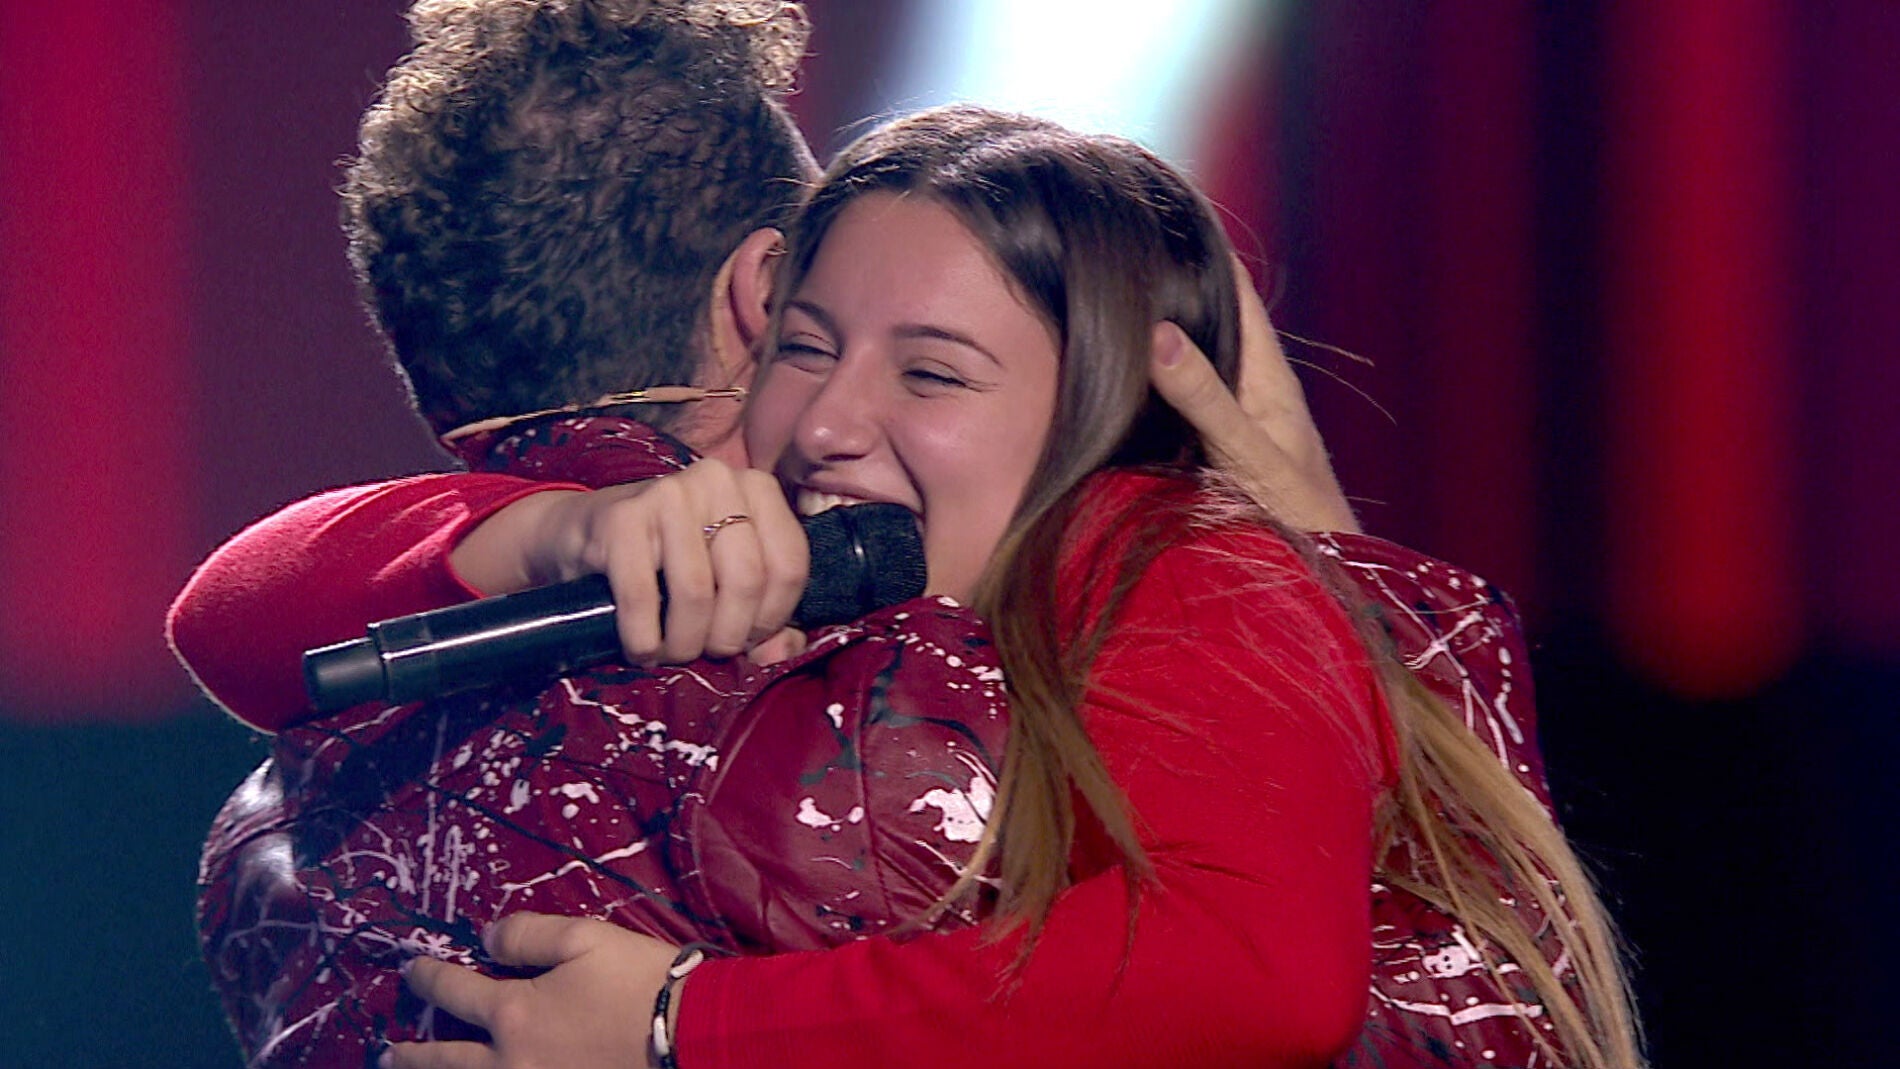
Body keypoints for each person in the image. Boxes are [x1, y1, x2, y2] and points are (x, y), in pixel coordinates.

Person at [178, 97, 1641, 1069]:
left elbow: (1254, 967)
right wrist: (554, 535)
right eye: (805, 347)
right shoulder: (811, 581)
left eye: (931, 373)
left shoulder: (1178, 558)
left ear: (1100, 413)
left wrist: (681, 1020)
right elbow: (232, 617)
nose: (825, 422)